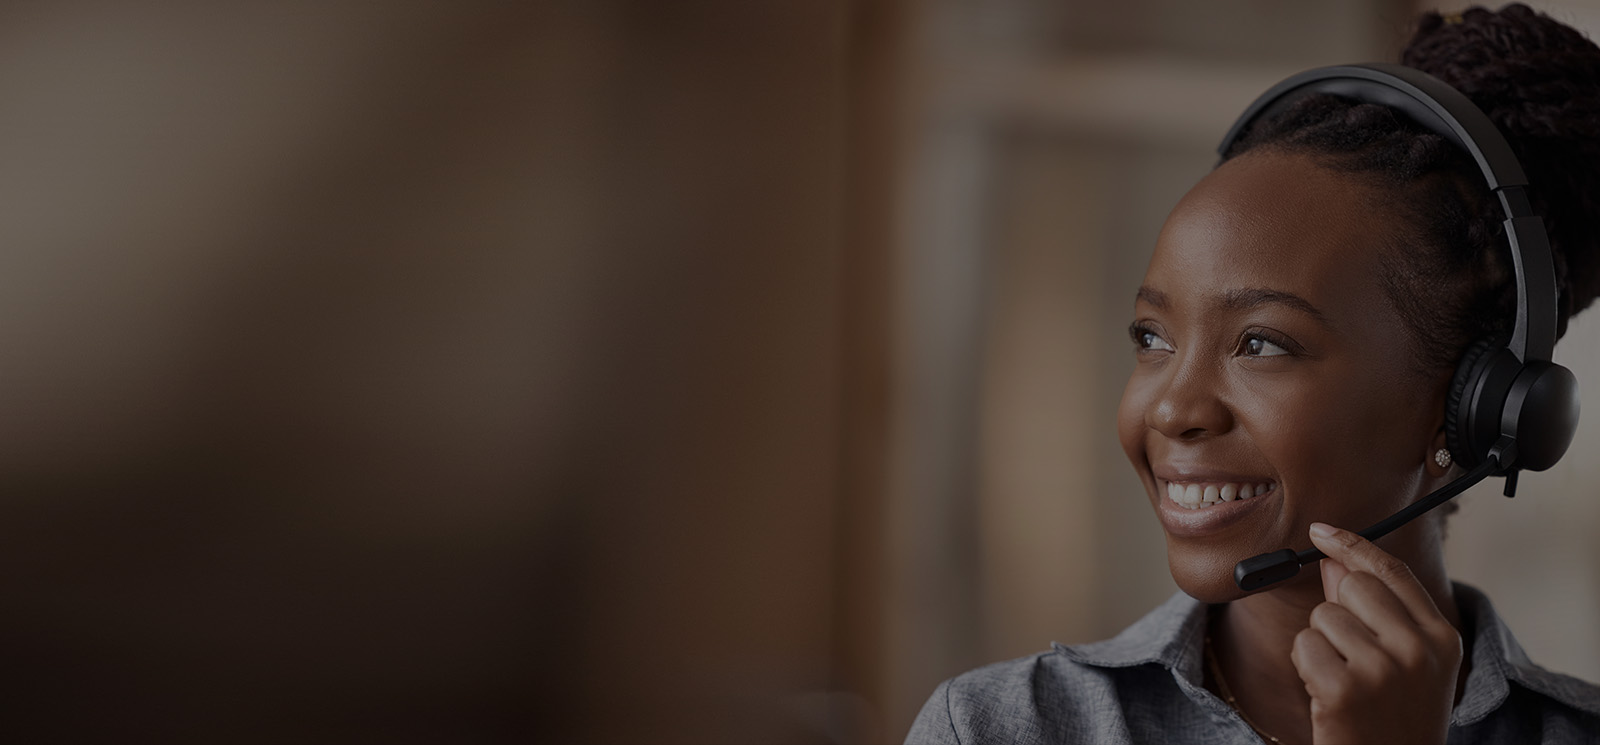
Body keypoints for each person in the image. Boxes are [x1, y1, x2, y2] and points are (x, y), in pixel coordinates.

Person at [905, 5, 1600, 744]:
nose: (1174, 408)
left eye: (1262, 344)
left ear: (1469, 407)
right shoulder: (1000, 727)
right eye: (1153, 336)